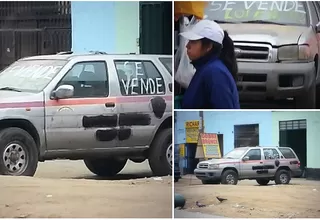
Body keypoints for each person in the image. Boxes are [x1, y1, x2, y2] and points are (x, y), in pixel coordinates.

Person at [180, 19, 240, 109]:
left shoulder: (215, 73)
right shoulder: (204, 69)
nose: (187, 46)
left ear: (208, 46)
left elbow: (224, 112)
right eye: (189, 41)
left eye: (193, 42)